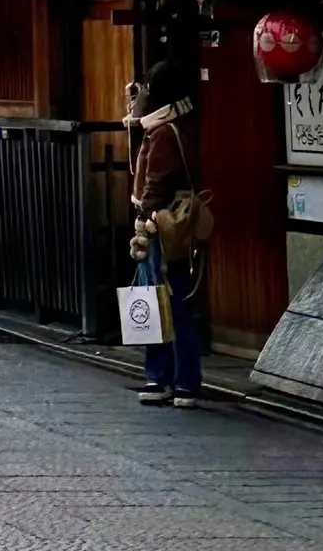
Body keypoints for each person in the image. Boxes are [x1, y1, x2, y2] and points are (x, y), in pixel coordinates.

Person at [128, 59, 203, 411]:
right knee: (176, 301)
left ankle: (163, 377)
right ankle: (181, 381)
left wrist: (143, 218)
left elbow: (155, 181)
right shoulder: (183, 125)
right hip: (178, 225)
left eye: (147, 87)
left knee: (158, 299)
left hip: (158, 225)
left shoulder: (162, 133)